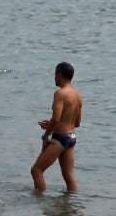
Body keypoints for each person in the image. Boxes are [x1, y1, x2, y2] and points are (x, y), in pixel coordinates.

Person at [32, 62, 82, 193]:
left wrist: (45, 136)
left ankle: (39, 201)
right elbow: (76, 123)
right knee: (69, 177)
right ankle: (71, 203)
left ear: (59, 75)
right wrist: (50, 125)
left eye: (55, 74)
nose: (54, 77)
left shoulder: (60, 93)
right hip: (71, 137)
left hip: (60, 139)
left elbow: (56, 119)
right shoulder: (77, 95)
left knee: (36, 170)